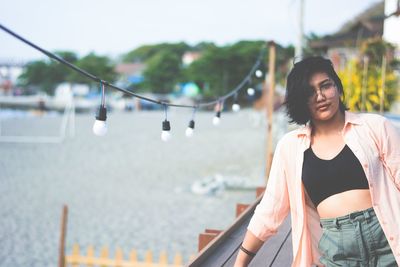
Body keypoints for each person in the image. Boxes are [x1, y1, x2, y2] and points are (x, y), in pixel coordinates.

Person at [234, 56, 400, 266]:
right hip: (338, 250)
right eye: (310, 92)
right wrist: (240, 263)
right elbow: (270, 210)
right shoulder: (290, 147)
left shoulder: (375, 127)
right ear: (300, 101)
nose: (320, 96)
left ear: (338, 88)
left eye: (325, 86)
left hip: (389, 240)